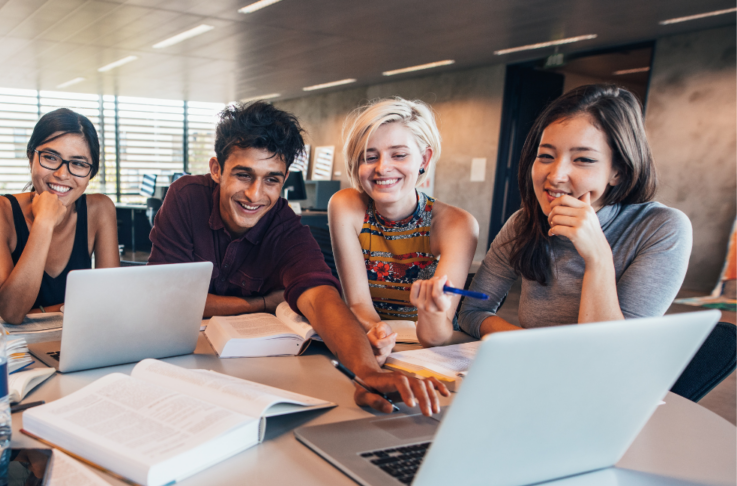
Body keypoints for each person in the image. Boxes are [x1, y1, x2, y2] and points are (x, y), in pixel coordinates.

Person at [149, 101, 449, 417]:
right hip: (176, 363)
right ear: (216, 170)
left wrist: (368, 372)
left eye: (271, 180)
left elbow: (321, 298)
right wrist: (261, 303)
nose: (255, 194)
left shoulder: (284, 225)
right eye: (243, 174)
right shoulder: (186, 197)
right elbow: (166, 298)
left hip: (247, 371)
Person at [458, 84, 692, 338]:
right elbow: (472, 312)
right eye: (546, 156)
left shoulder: (661, 227)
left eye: (583, 159)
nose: (556, 175)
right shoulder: (524, 222)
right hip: (536, 370)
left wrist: (597, 256)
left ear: (619, 170)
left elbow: (611, 351)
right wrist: (529, 348)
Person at [329, 98, 478, 357]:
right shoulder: (345, 206)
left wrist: (430, 311)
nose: (383, 167)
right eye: (369, 156)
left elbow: (436, 337)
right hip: (373, 343)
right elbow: (359, 304)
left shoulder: (458, 225)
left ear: (424, 158)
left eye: (399, 155)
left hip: (431, 353)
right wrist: (378, 332)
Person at [0, 109, 119, 324]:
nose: (62, 174)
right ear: (30, 157)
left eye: (79, 163)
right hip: (18, 348)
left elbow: (110, 302)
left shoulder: (99, 209)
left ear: (91, 173)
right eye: (50, 157)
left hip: (80, 338)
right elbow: (11, 312)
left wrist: (38, 312)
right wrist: (44, 222)